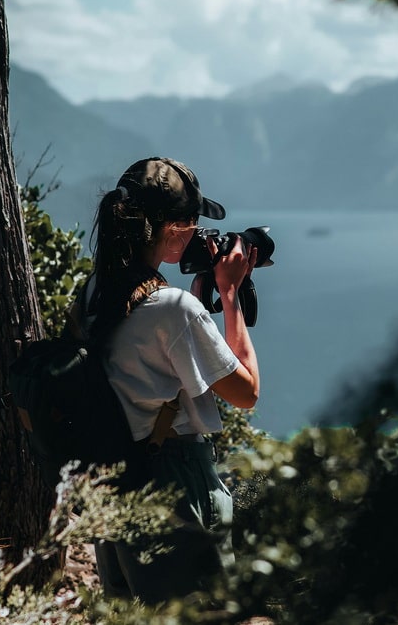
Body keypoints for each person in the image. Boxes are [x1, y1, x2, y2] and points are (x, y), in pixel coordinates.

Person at [69, 156, 260, 603]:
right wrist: (229, 294)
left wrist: (196, 298)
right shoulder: (172, 310)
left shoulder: (94, 293)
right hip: (176, 484)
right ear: (173, 229)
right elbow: (247, 392)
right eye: (192, 222)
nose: (197, 232)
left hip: (116, 484)